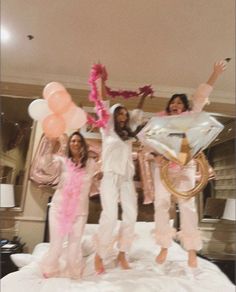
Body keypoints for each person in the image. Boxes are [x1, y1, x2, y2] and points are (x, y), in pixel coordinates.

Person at [151, 60, 227, 268]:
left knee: (187, 206)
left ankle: (191, 250)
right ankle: (164, 246)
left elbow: (200, 97)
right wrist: (156, 156)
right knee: (161, 204)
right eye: (172, 102)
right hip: (163, 167)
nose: (175, 105)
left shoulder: (191, 118)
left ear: (185, 107)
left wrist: (215, 74)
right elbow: (150, 143)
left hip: (185, 166)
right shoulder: (159, 123)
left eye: (179, 103)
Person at [94, 79, 147, 274]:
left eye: (125, 114)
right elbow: (102, 104)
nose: (123, 116)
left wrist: (143, 96)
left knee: (131, 215)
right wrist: (100, 81)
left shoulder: (129, 135)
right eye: (120, 113)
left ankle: (122, 253)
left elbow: (138, 115)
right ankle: (99, 255)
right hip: (109, 176)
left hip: (126, 178)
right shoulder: (106, 129)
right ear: (113, 116)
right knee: (110, 215)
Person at [40, 131, 98, 279]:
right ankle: (49, 268)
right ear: (69, 144)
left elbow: (104, 163)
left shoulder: (90, 164)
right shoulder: (62, 161)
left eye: (79, 141)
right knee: (57, 244)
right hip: (59, 209)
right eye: (73, 141)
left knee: (75, 244)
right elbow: (46, 165)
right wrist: (50, 144)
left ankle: (74, 270)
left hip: (80, 212)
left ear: (83, 144)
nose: (76, 143)